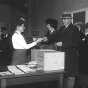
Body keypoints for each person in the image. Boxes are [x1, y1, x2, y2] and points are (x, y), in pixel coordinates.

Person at [54, 13, 81, 88]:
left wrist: (63, 44)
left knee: (71, 75)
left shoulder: (74, 28)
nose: (65, 20)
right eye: (63, 19)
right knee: (63, 74)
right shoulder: (61, 28)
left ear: (70, 19)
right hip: (62, 55)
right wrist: (47, 38)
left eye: (66, 19)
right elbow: (55, 36)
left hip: (71, 55)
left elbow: (76, 42)